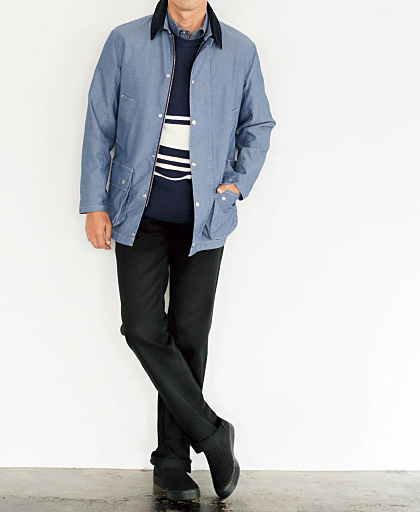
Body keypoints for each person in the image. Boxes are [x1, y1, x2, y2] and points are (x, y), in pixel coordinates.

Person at [79, 0, 275, 502]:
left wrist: (236, 185)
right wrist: (95, 203)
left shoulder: (240, 50)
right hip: (136, 212)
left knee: (189, 338)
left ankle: (171, 463)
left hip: (205, 219)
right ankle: (213, 434)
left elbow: (258, 125)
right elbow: (100, 122)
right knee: (141, 328)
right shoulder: (126, 41)